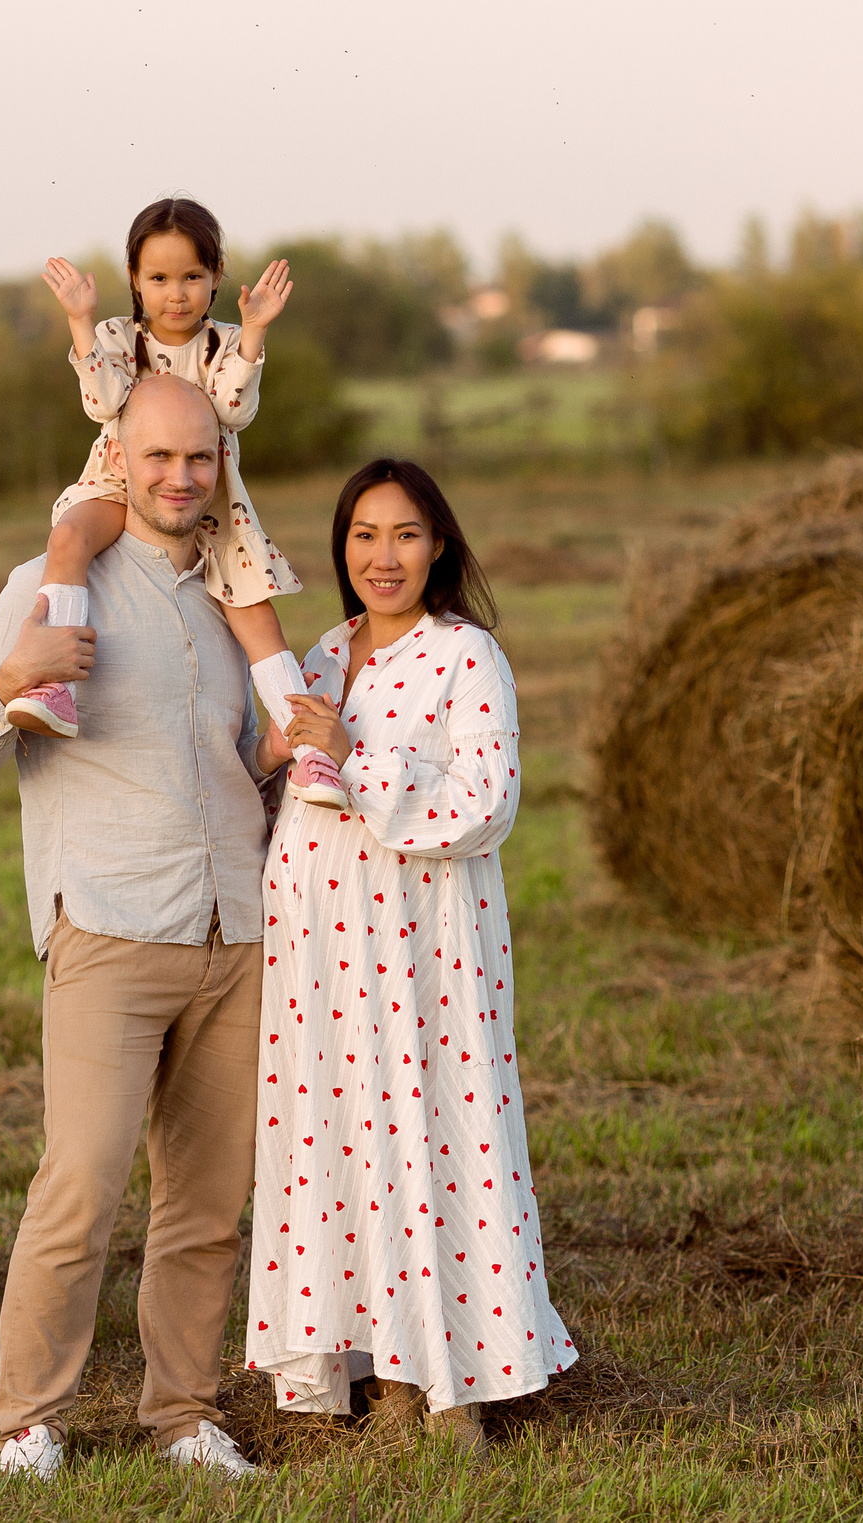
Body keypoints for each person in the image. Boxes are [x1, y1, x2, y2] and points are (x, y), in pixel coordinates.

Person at [0, 373, 296, 1483]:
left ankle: (184, 1413)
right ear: (118, 460)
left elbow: (243, 768)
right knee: (82, 1183)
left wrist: (282, 760)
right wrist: (15, 676)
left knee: (205, 1204)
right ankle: (30, 1419)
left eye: (202, 459)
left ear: (221, 467)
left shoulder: (238, 604)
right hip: (107, 924)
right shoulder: (48, 586)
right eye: (158, 459)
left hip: (235, 933)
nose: (182, 477)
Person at [242, 457, 578, 1452]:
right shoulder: (323, 648)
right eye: (362, 536)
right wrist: (275, 756)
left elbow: (487, 803)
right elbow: (290, 781)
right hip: (318, 956)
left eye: (404, 535)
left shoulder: (466, 657)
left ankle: (452, 1386)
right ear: (340, 550)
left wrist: (355, 756)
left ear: (439, 547)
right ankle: (376, 1379)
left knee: (432, 1143)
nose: (382, 557)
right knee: (339, 1146)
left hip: (418, 948)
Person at [6, 195, 349, 812]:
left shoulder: (224, 344)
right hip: (118, 485)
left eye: (192, 276)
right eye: (158, 278)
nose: (176, 294)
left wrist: (256, 332)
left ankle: (309, 751)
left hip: (208, 501)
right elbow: (102, 402)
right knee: (67, 540)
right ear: (134, 280)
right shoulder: (116, 336)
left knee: (256, 618)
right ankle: (55, 682)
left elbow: (233, 411)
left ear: (216, 278)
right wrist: (80, 320)